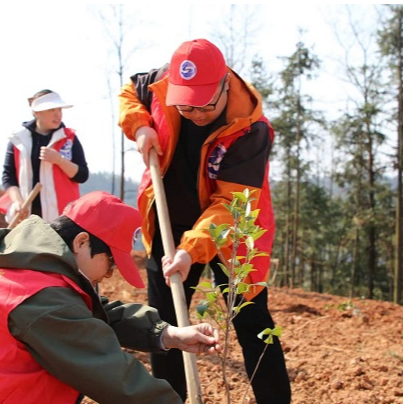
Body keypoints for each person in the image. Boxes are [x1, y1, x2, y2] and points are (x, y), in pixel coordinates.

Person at [118, 38, 291, 403]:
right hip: (169, 216)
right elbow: (130, 91)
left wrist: (190, 250)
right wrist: (139, 126)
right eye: (185, 105)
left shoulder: (250, 129)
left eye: (205, 106)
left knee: (251, 320)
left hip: (234, 226)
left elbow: (230, 204)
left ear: (225, 84)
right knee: (164, 322)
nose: (195, 114)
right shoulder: (160, 83)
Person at [0, 190, 220, 404]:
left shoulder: (31, 269)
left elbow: (88, 314)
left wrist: (168, 333)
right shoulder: (43, 300)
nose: (110, 273)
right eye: (111, 261)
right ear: (81, 242)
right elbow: (115, 380)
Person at [1, 89, 89, 225]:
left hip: (62, 217)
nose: (57, 114)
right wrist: (18, 202)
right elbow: (8, 176)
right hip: (26, 217)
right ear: (36, 112)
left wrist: (59, 160)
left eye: (59, 110)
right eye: (51, 110)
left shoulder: (69, 138)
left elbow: (82, 175)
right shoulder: (18, 139)